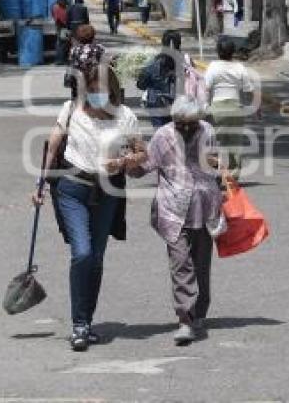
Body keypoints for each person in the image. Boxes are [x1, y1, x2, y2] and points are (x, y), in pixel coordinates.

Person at [34, 61, 144, 351]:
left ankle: (84, 322)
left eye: (101, 91)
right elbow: (53, 144)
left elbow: (140, 157)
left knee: (95, 258)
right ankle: (79, 324)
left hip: (107, 191)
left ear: (114, 91)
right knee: (82, 252)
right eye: (91, 90)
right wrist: (41, 182)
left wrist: (125, 162)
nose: (96, 96)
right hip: (71, 188)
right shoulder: (72, 109)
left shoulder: (125, 117)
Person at [126, 95, 227, 346]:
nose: (186, 129)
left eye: (191, 123)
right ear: (173, 120)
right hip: (173, 210)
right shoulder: (163, 136)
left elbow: (216, 165)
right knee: (181, 263)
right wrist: (129, 161)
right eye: (180, 123)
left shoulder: (207, 131)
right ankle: (185, 319)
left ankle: (199, 311)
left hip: (204, 209)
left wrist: (222, 180)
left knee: (201, 264)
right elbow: (144, 167)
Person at [204, 39, 261, 177]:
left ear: (218, 52)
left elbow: (206, 88)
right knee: (235, 142)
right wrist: (257, 107)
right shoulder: (239, 67)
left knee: (215, 142)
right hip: (236, 108)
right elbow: (249, 89)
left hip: (217, 108)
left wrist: (205, 106)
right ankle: (233, 175)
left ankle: (215, 172)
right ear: (233, 52)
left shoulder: (213, 67)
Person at [137, 31, 182, 128]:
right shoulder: (186, 62)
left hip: (157, 105)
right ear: (179, 44)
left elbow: (141, 84)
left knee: (161, 136)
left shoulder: (153, 63)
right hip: (181, 105)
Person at [64, 24, 106, 99]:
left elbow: (71, 63)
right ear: (93, 36)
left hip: (78, 82)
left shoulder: (74, 50)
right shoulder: (99, 48)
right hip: (95, 81)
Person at [52, 0, 70, 65]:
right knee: (62, 44)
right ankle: (60, 59)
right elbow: (57, 19)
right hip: (61, 27)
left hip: (63, 27)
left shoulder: (63, 7)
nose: (65, 2)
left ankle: (61, 59)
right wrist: (64, 24)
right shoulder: (57, 7)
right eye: (64, 1)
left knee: (63, 43)